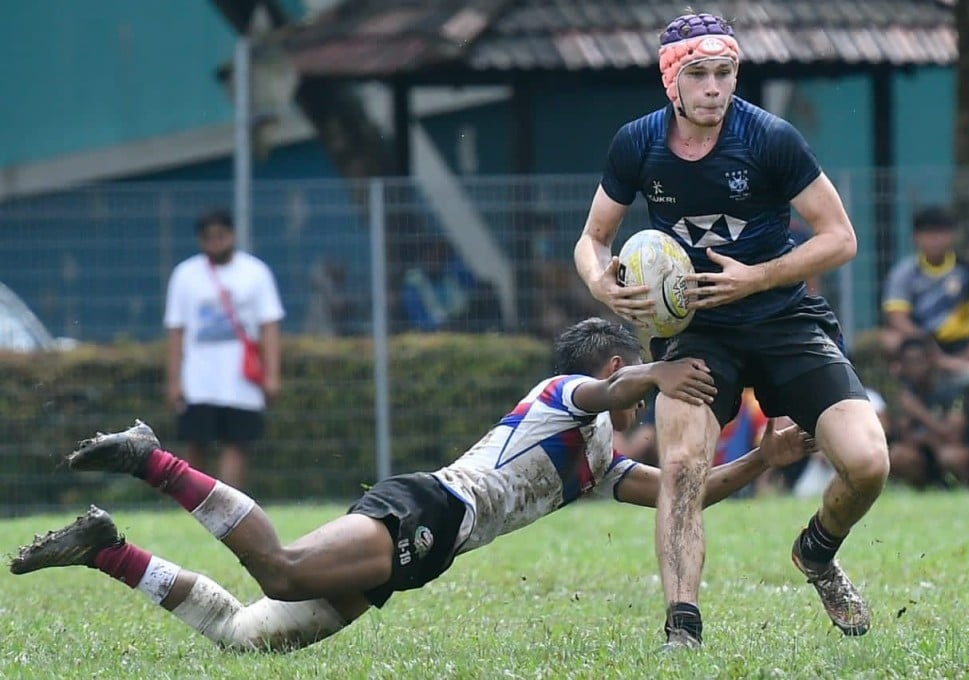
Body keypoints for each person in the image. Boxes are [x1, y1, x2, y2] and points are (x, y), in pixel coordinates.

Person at [10, 318, 812, 653]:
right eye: (636, 377)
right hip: (428, 508)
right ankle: (152, 458)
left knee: (250, 635)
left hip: (429, 551)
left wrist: (763, 461)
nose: (648, 395)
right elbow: (605, 392)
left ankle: (106, 550)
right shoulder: (562, 396)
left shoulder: (598, 456)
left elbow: (688, 495)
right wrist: (662, 368)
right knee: (282, 568)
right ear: (613, 367)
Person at [573, 13, 889, 648]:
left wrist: (758, 276)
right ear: (672, 80)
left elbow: (841, 238)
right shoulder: (637, 144)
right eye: (699, 74)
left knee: (868, 461)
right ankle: (681, 626)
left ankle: (817, 551)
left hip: (783, 320)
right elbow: (592, 239)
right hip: (696, 335)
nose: (714, 87)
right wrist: (602, 285)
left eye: (725, 73)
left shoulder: (771, 138)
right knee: (685, 463)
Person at [164, 209, 284, 490]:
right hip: (199, 379)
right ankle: (193, 503)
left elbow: (270, 327)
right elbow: (175, 330)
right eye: (208, 238)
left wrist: (273, 374)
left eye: (220, 236)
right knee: (195, 445)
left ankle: (230, 508)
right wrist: (173, 380)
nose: (215, 243)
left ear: (232, 235)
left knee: (237, 444)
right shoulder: (185, 275)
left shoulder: (256, 273)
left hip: (241, 380)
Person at [882, 207, 969, 375]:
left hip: (964, 341)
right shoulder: (904, 273)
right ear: (915, 237)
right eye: (928, 233)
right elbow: (897, 318)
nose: (935, 239)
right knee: (889, 341)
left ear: (952, 235)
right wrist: (925, 341)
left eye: (941, 232)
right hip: (925, 342)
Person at [887, 336, 969, 488]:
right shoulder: (904, 394)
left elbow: (953, 435)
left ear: (930, 361)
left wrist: (919, 412)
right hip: (925, 454)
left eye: (919, 361)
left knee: (949, 456)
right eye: (908, 362)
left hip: (956, 451)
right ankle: (920, 491)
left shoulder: (950, 390)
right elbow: (902, 438)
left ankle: (965, 488)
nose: (915, 368)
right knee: (897, 455)